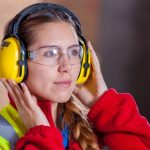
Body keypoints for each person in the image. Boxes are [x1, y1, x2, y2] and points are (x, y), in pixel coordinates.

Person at [0, 2, 150, 150]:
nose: (66, 67)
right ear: (15, 62)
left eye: (73, 52)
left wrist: (104, 104)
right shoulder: (3, 136)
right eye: (50, 53)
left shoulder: (92, 130)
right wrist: (41, 136)